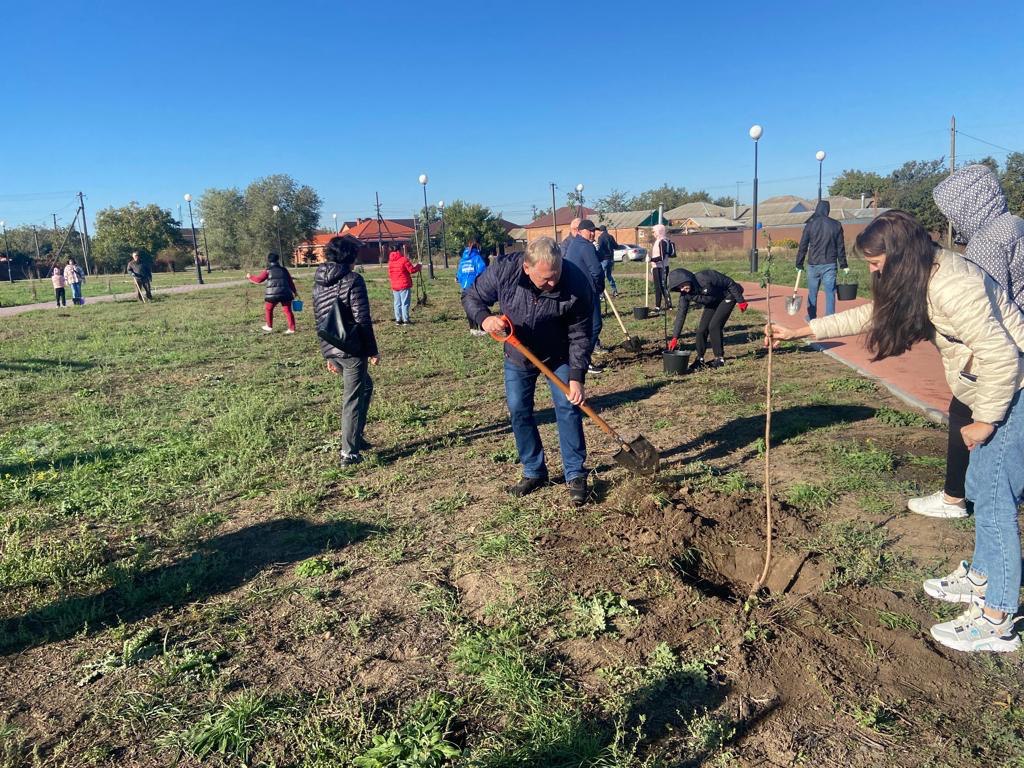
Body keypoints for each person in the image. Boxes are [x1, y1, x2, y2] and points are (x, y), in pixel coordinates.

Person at [766, 210, 1024, 653]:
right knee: (981, 486)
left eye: (875, 262)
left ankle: (996, 618)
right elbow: (872, 315)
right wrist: (805, 330)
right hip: (988, 388)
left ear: (899, 255)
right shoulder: (923, 274)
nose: (872, 271)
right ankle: (982, 576)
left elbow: (1002, 355)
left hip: (1012, 390)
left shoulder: (952, 287)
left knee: (997, 502)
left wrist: (987, 420)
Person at [905, 164, 1024, 518]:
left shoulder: (988, 240)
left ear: (968, 204)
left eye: (952, 212)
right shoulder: (1015, 223)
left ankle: (958, 497)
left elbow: (983, 304)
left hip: (1004, 344)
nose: (952, 220)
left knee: (969, 411)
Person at [462, 236, 594, 505]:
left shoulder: (576, 282)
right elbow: (472, 296)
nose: (553, 283)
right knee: (519, 410)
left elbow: (581, 334)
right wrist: (485, 318)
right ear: (527, 268)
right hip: (518, 353)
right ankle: (534, 471)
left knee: (568, 407)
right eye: (545, 278)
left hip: (559, 354)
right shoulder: (504, 270)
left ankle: (576, 474)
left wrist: (577, 377)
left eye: (556, 275)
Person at [313, 236, 380, 467]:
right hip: (351, 348)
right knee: (351, 399)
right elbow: (362, 318)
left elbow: (320, 319)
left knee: (366, 386)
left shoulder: (318, 281)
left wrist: (327, 354)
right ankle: (349, 453)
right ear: (350, 256)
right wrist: (372, 350)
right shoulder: (353, 280)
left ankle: (355, 437)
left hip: (332, 346)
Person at [666, 268, 747, 370]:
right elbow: (681, 314)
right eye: (679, 288)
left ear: (688, 279)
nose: (682, 289)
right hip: (713, 301)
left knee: (714, 326)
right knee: (701, 330)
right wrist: (675, 337)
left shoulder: (706, 277)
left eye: (682, 286)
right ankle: (700, 359)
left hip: (728, 295)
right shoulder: (685, 296)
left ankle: (719, 358)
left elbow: (730, 283)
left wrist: (741, 300)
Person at [562, 219, 605, 371]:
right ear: (580, 231)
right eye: (590, 231)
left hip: (574, 292)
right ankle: (584, 361)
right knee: (594, 326)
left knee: (579, 328)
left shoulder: (574, 244)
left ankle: (574, 358)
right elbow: (597, 271)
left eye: (594, 230)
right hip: (587, 293)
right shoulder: (586, 247)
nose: (593, 233)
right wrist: (599, 288)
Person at [795, 199, 848, 320]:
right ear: (828, 210)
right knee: (830, 292)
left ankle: (812, 317)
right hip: (830, 264)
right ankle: (829, 319)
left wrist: (799, 263)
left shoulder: (810, 224)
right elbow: (840, 246)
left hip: (813, 264)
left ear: (817, 209)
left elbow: (803, 245)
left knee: (812, 293)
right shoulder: (836, 225)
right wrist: (844, 264)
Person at [247, 253, 298, 334]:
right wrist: (295, 292)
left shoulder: (268, 270)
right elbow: (290, 282)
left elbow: (259, 280)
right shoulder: (284, 270)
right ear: (278, 260)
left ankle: (269, 326)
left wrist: (250, 277)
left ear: (269, 260)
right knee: (288, 311)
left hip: (272, 295)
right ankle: (292, 329)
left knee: (268, 309)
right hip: (286, 294)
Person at [457, 239, 488, 335]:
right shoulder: (477, 258)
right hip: (475, 286)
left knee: (469, 307)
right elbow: (483, 270)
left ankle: (473, 328)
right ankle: (483, 329)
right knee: (481, 306)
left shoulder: (462, 260)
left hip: (464, 287)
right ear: (478, 248)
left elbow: (459, 274)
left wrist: (463, 282)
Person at [387, 245, 421, 325]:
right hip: (404, 284)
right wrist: (419, 266)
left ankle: (398, 319)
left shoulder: (391, 261)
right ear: (399, 250)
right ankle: (406, 320)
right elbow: (412, 270)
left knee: (397, 303)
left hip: (395, 285)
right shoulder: (404, 260)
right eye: (402, 249)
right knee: (405, 303)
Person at [649, 224, 673, 311]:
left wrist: (651, 259)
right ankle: (659, 305)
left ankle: (667, 306)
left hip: (662, 267)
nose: (653, 233)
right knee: (658, 287)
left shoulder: (662, 241)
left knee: (662, 286)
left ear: (659, 231)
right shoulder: (657, 241)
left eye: (654, 231)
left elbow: (662, 257)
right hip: (656, 267)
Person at [596, 225, 619, 297]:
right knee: (609, 275)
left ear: (600, 231)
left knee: (601, 276)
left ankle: (601, 293)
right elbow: (616, 246)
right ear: (606, 230)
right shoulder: (611, 237)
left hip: (604, 259)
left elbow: (599, 248)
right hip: (611, 259)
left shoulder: (600, 238)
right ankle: (615, 291)